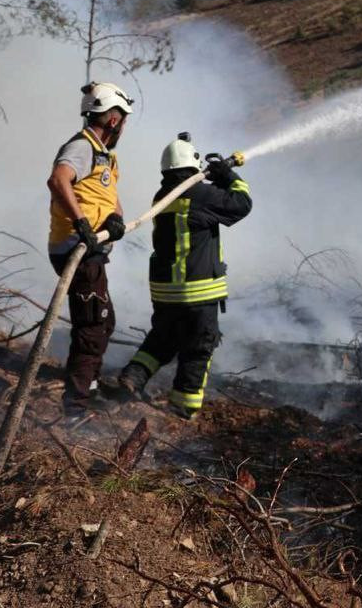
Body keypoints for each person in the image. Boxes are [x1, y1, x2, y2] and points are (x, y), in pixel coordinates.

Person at [117, 133, 251, 419]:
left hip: (166, 291)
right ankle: (183, 407)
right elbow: (241, 204)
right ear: (193, 165)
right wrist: (227, 175)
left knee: (163, 339)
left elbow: (204, 208)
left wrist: (214, 179)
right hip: (198, 291)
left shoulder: (163, 195)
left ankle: (132, 377)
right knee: (198, 346)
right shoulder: (200, 194)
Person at [46, 82, 133, 417]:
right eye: (123, 119)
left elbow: (106, 197)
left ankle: (89, 387)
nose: (124, 126)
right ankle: (76, 409)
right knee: (92, 327)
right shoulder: (82, 147)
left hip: (91, 249)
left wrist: (115, 219)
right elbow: (58, 179)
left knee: (103, 323)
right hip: (77, 249)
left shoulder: (103, 155)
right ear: (114, 120)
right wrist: (82, 222)